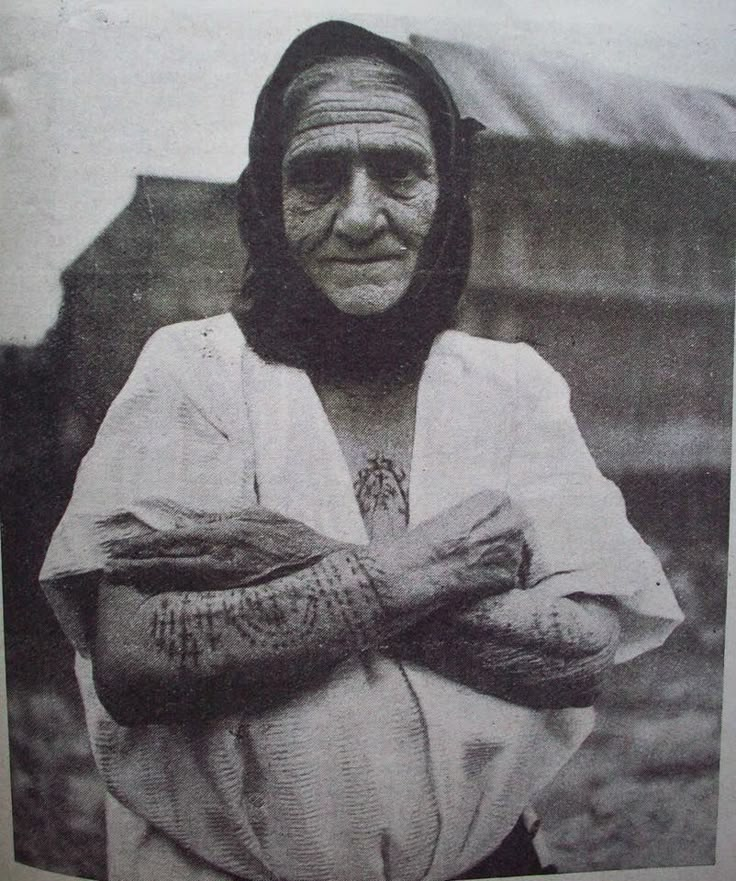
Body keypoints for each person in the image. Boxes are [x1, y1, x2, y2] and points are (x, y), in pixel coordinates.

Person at [40, 20, 684, 881]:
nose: (357, 215)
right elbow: (139, 658)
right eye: (315, 177)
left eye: (398, 170)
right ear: (267, 203)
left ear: (446, 196)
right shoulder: (193, 371)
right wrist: (411, 570)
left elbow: (579, 653)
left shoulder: (513, 385)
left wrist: (299, 562)